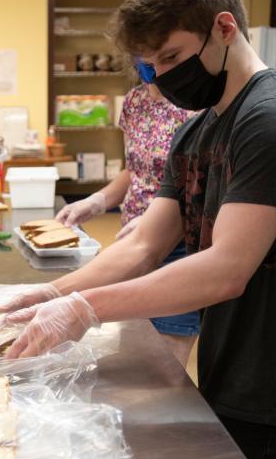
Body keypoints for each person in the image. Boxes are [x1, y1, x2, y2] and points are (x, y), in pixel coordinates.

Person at [0, 0, 276, 459]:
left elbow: (225, 268)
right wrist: (53, 295)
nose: (164, 78)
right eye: (150, 66)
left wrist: (85, 309)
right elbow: (142, 244)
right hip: (229, 356)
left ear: (224, 27)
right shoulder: (199, 133)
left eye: (172, 57)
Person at [55, 78, 199, 367]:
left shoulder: (195, 103)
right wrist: (97, 200)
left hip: (180, 243)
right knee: (134, 343)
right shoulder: (135, 101)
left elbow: (205, 185)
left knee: (166, 360)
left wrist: (154, 219)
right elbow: (133, 171)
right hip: (131, 244)